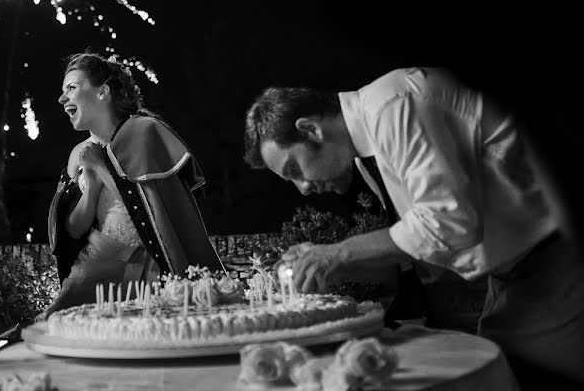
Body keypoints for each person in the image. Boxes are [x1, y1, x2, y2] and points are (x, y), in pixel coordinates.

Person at [243, 67, 584, 388]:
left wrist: (338, 254)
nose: (302, 188)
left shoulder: (394, 104)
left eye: (294, 169)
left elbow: (448, 222)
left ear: (310, 130)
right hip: (515, 277)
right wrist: (333, 264)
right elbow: (416, 244)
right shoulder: (370, 145)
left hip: (558, 261)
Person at [43, 52, 223, 317]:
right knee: (61, 322)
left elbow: (147, 206)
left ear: (102, 92)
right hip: (96, 264)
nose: (62, 99)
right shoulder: (78, 154)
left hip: (152, 263)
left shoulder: (144, 132)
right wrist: (91, 188)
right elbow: (74, 229)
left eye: (71, 88)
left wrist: (101, 167)